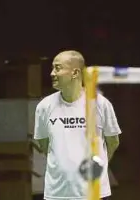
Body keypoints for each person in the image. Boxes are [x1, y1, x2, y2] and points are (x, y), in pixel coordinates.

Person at [33, 50, 121, 200]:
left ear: (75, 73)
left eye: (58, 68)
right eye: (53, 68)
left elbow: (112, 142)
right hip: (57, 194)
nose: (52, 73)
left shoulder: (101, 104)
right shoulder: (44, 106)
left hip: (94, 193)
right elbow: (44, 145)